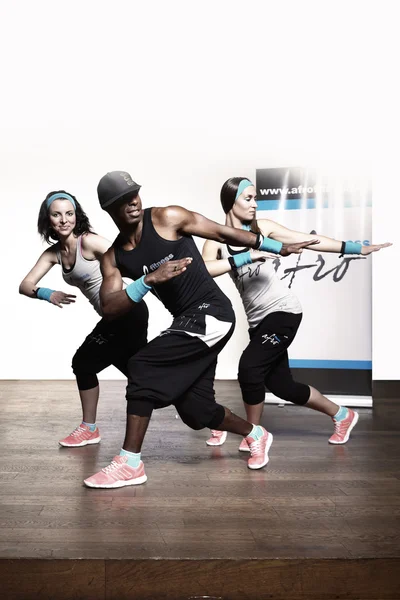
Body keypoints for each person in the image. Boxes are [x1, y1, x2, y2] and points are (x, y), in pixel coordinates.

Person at [83, 170, 316, 489]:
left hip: (213, 312)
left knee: (142, 363)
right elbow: (110, 307)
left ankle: (130, 462)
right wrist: (148, 280)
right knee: (196, 411)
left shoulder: (168, 217)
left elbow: (222, 232)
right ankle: (255, 433)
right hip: (186, 322)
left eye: (134, 193)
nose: (133, 202)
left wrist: (273, 245)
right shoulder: (114, 256)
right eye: (122, 200)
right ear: (109, 209)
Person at [202, 177, 391, 450]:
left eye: (256, 198)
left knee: (249, 369)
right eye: (248, 198)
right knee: (283, 386)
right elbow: (205, 269)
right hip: (257, 321)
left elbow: (309, 241)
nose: (255, 204)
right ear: (230, 202)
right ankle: (343, 414)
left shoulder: (262, 229)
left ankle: (254, 434)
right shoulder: (217, 239)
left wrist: (356, 249)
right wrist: (247, 257)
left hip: (283, 311)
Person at [19, 190, 148, 447]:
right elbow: (25, 285)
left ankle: (89, 428)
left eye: (69, 213)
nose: (64, 220)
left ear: (77, 216)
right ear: (48, 219)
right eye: (57, 215)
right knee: (142, 373)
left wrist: (147, 281)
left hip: (128, 313)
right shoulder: (54, 254)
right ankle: (203, 410)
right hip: (112, 318)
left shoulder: (88, 242)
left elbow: (127, 257)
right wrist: (47, 293)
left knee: (84, 362)